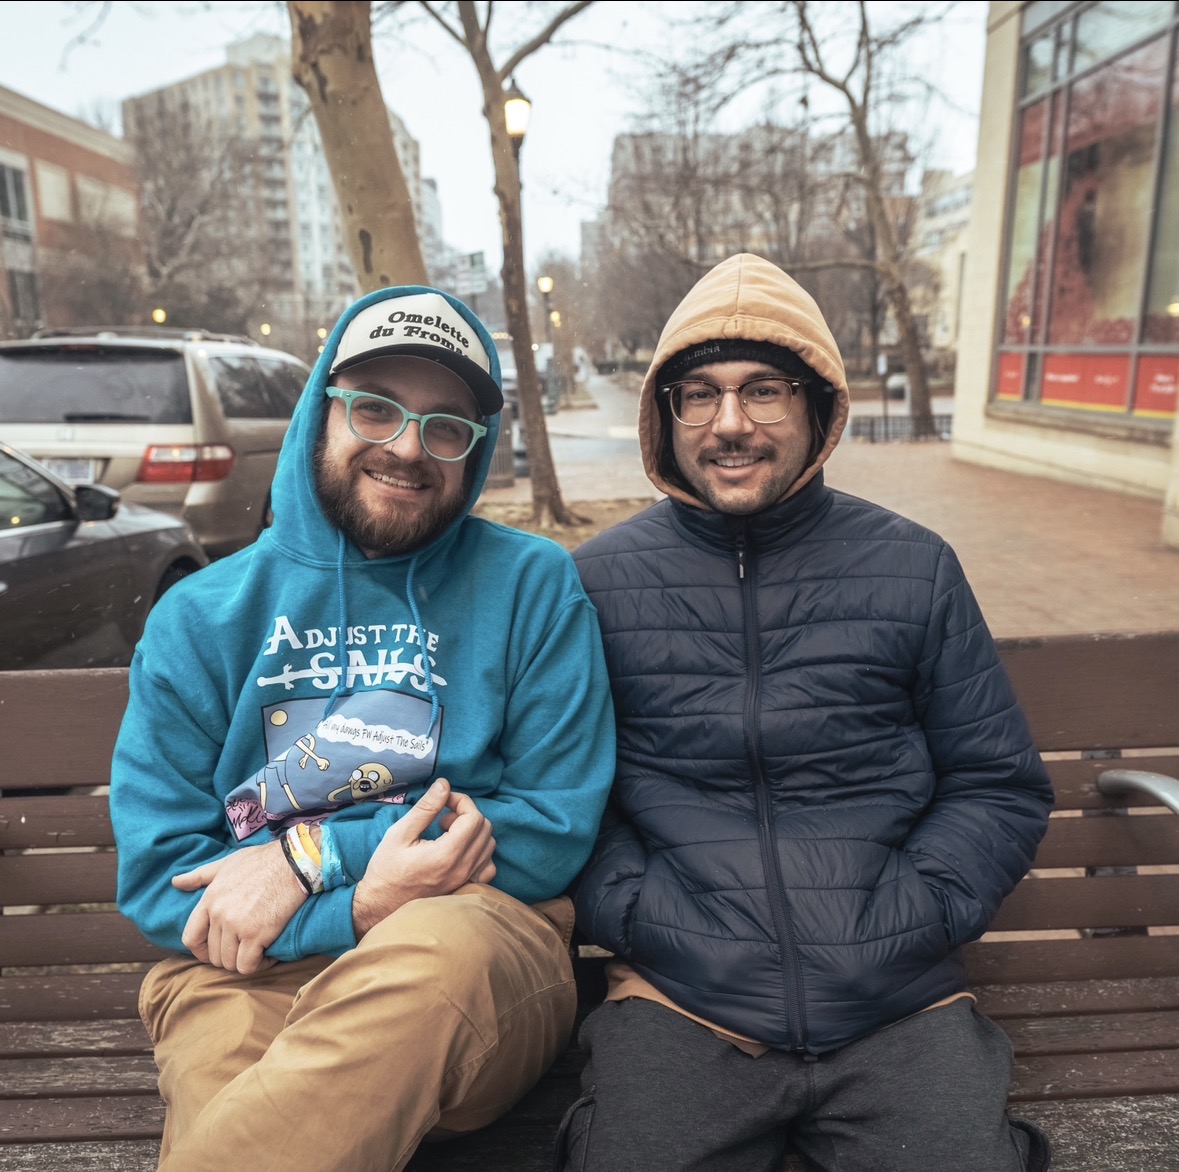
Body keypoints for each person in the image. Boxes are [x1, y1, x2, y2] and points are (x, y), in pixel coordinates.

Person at [561, 253, 1054, 1172]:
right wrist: (639, 916)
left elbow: (996, 783)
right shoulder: (593, 583)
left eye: (764, 390)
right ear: (664, 416)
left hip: (896, 1001)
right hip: (682, 998)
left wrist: (915, 914)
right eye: (698, 395)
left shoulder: (913, 567)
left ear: (818, 407)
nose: (730, 424)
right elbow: (568, 791)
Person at [110, 284, 616, 1171]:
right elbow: (162, 875)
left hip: (470, 941)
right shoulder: (200, 617)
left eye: (445, 427)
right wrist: (352, 908)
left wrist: (314, 861)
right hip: (246, 967)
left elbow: (551, 824)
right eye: (375, 408)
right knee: (233, 1098)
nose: (408, 448)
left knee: (433, 956)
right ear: (321, 411)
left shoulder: (531, 587)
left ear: (476, 449)